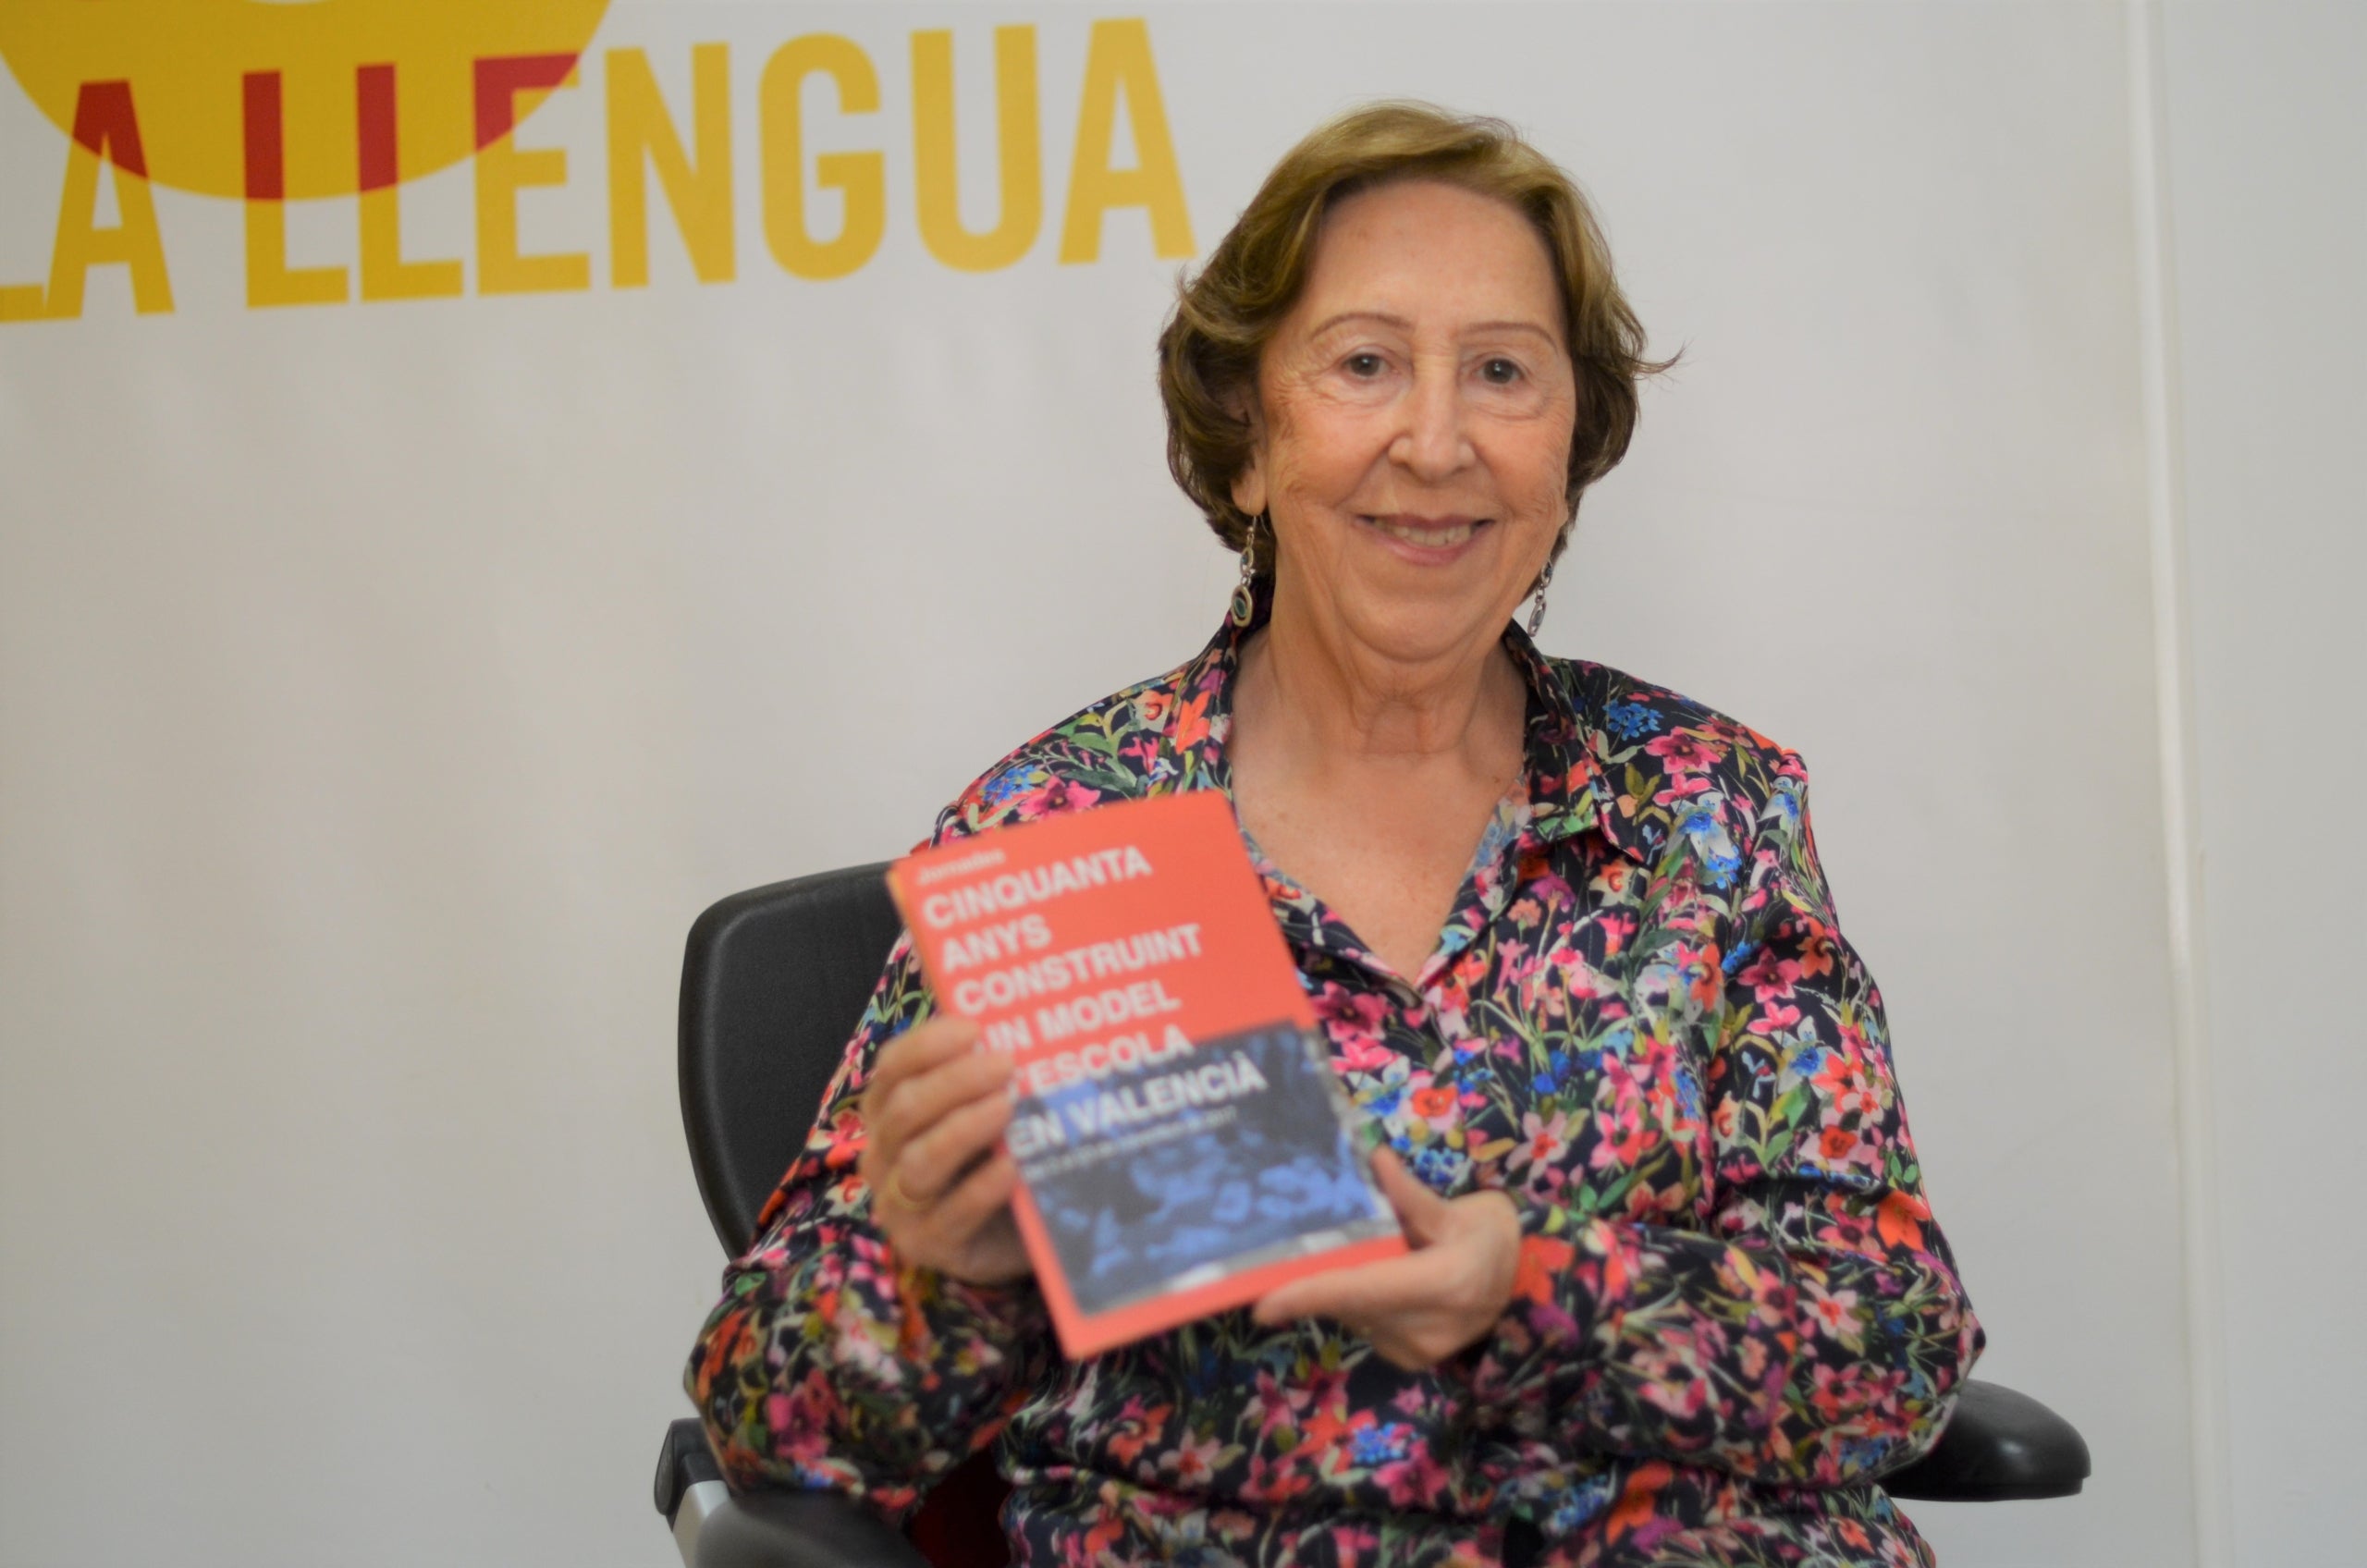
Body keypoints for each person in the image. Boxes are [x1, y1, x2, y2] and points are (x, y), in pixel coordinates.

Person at [686, 103, 1982, 1568]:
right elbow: (767, 1423)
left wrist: (1533, 1298)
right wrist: (940, 1275)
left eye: (1502, 372)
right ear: (1249, 441)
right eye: (1364, 364)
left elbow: (1897, 1341)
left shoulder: (1707, 807)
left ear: (1568, 453)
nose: (1436, 443)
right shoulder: (1071, 830)